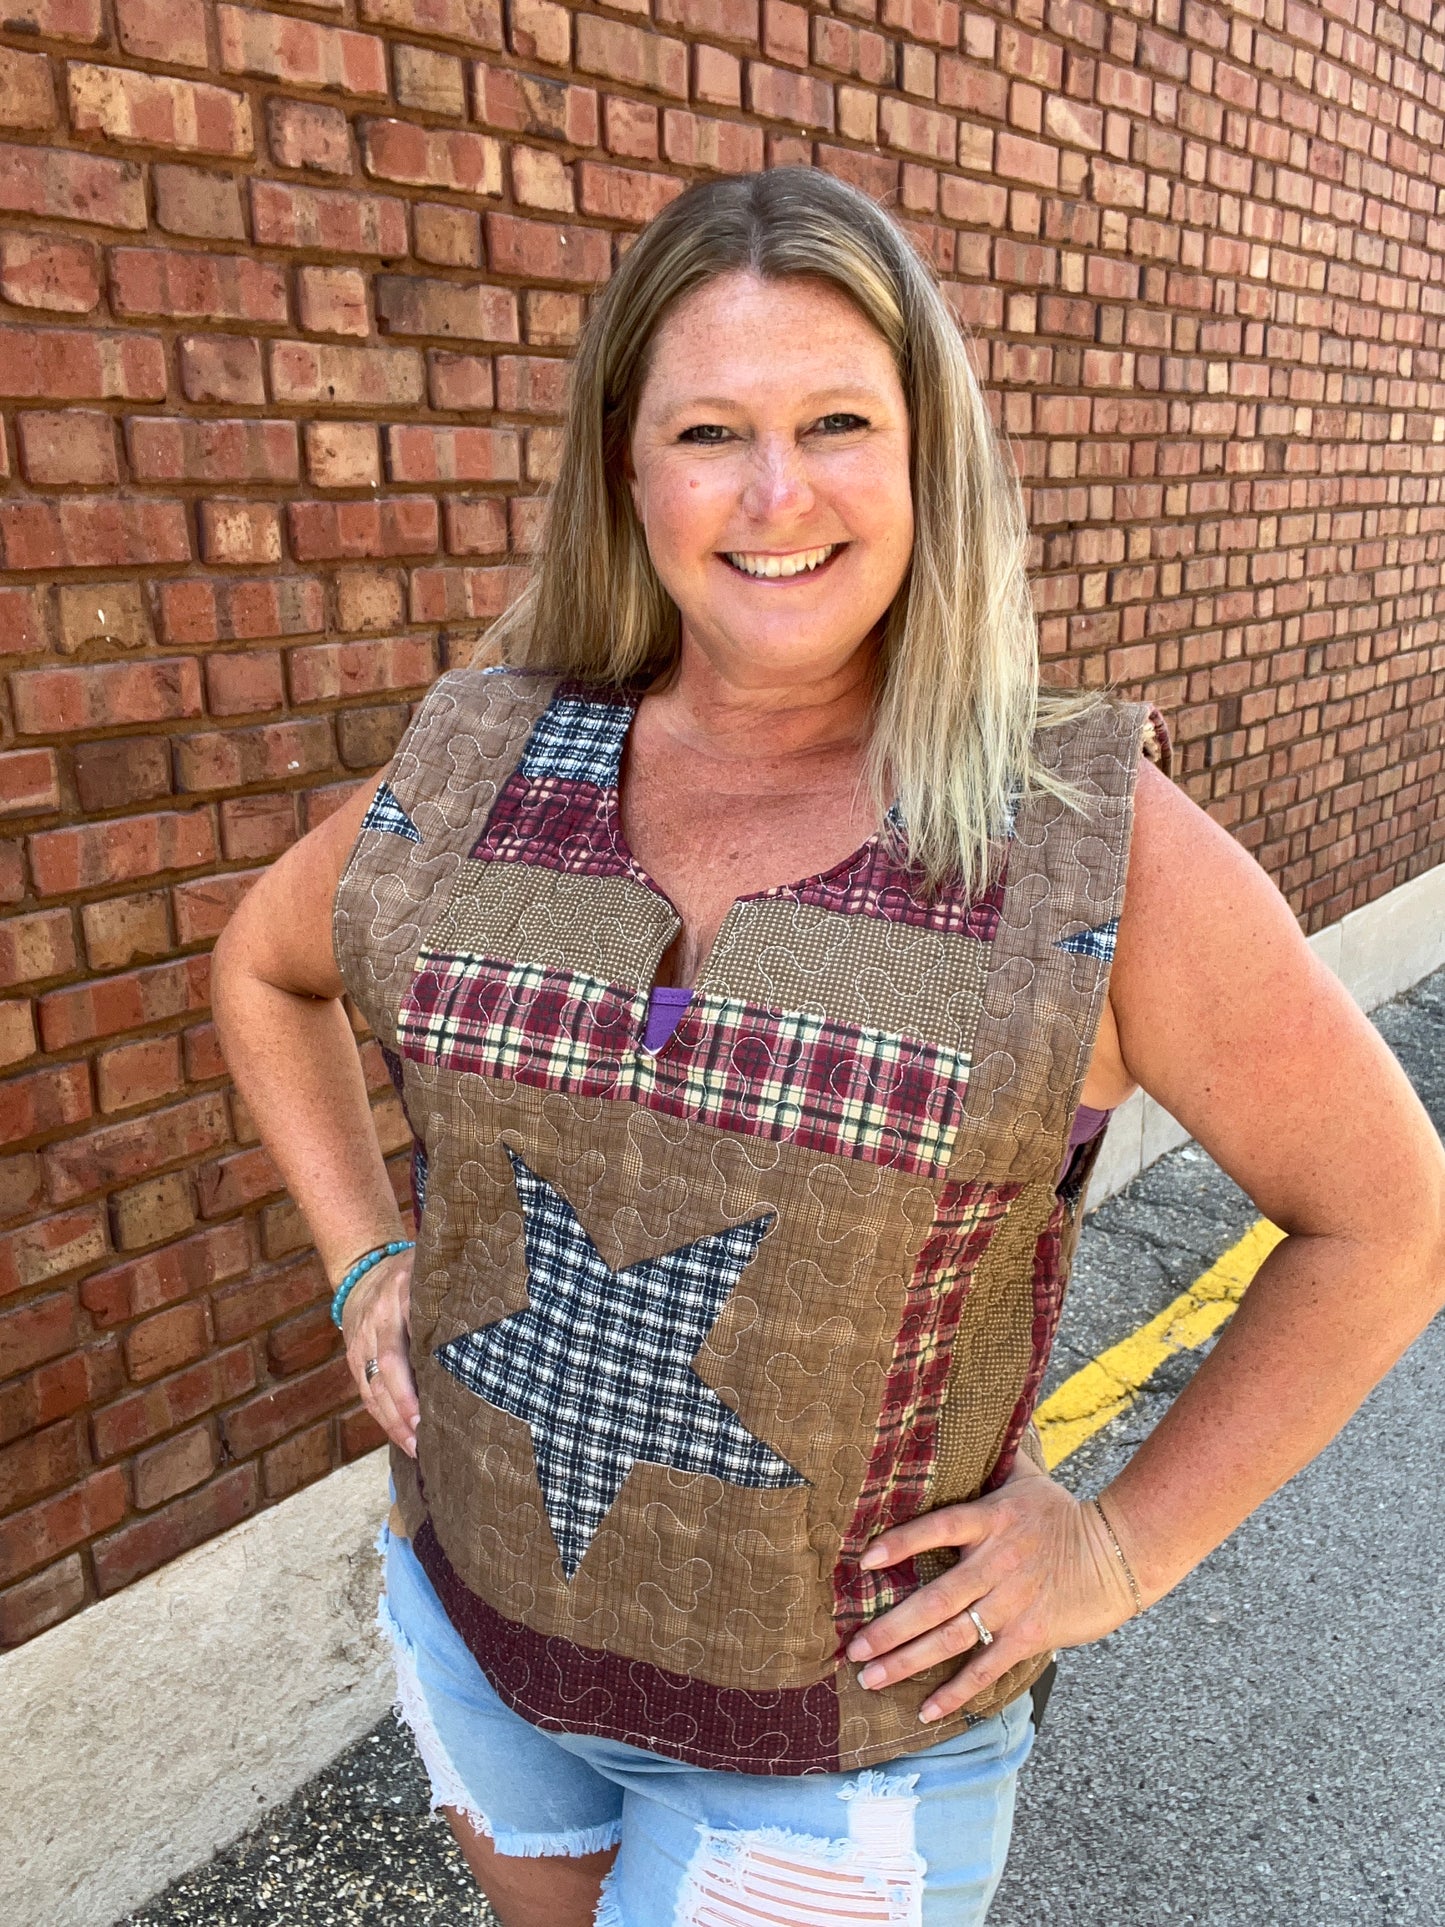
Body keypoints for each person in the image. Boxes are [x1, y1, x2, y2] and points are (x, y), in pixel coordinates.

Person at [212, 169, 1445, 1927]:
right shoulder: (475, 770)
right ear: (625, 472)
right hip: (477, 1627)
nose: (775, 494)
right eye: (708, 429)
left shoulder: (1088, 847)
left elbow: (1387, 1221)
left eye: (838, 422)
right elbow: (264, 971)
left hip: (837, 1757)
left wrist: (1117, 1544)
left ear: (928, 457)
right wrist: (362, 1265)